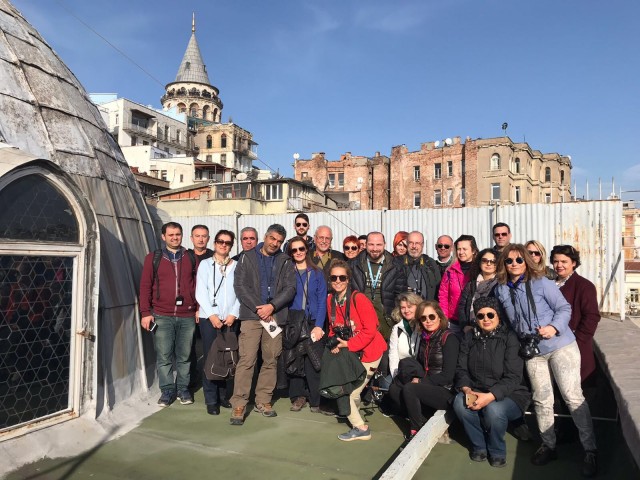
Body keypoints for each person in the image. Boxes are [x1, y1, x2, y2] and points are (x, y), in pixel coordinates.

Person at [494, 244, 598, 477]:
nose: (514, 265)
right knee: (542, 400)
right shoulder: (501, 289)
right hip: (532, 351)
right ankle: (548, 445)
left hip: (560, 345)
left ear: (526, 262)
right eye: (509, 261)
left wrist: (553, 327)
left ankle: (590, 449)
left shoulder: (542, 282)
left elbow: (564, 308)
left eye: (519, 260)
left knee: (573, 397)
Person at [230, 224, 297, 426]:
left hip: (274, 317)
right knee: (247, 360)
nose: (275, 243)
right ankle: (239, 403)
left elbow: (290, 288)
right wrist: (259, 308)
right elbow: (240, 286)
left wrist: (272, 306)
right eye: (272, 239)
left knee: (271, 359)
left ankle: (264, 400)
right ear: (266, 236)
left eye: (279, 241)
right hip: (252, 316)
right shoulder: (247, 257)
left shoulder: (285, 261)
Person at [453, 296, 531, 468]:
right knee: (459, 404)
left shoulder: (509, 338)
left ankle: (497, 450)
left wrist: (490, 396)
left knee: (494, 410)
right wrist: (466, 389)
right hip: (476, 388)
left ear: (498, 316)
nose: (486, 319)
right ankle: (479, 446)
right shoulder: (469, 337)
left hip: (511, 393)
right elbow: (461, 369)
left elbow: (513, 376)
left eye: (490, 315)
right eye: (480, 316)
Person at [326, 259, 387, 441]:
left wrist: (349, 345)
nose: (338, 281)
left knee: (349, 392)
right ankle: (355, 414)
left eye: (342, 277)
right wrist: (335, 344)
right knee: (353, 391)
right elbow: (332, 328)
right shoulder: (331, 299)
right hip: (352, 353)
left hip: (370, 352)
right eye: (334, 277)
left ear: (348, 279)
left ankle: (361, 428)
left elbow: (371, 329)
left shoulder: (358, 298)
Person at [139, 222, 197, 407]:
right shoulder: (153, 258)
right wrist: (145, 312)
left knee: (184, 355)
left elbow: (196, 284)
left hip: (187, 315)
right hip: (161, 315)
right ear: (163, 237)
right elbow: (145, 286)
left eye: (178, 234)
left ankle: (183, 389)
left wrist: (197, 307)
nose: (174, 237)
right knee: (164, 356)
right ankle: (167, 391)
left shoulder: (190, 257)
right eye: (170, 235)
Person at [396, 300, 460, 440]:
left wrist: (421, 381)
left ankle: (416, 430)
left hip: (445, 390)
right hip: (429, 385)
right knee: (395, 388)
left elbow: (448, 376)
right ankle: (422, 417)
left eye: (431, 316)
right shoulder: (425, 338)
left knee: (410, 389)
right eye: (423, 318)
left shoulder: (449, 339)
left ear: (439, 316)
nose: (428, 321)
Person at [195, 229, 240, 415]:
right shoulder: (205, 265)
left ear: (231, 246)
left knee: (226, 356)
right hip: (209, 319)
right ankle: (211, 399)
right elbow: (201, 292)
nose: (223, 245)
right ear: (214, 243)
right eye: (220, 241)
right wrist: (212, 315)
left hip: (230, 319)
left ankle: (223, 396)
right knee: (210, 357)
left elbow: (241, 292)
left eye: (227, 242)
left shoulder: (237, 266)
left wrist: (233, 313)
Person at [286, 236, 327, 413]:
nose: (298, 253)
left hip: (312, 323)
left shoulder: (317, 273)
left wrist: (319, 325)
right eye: (294, 250)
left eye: (301, 249)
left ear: (306, 250)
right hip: (294, 322)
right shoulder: (288, 272)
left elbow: (322, 301)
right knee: (295, 359)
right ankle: (298, 396)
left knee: (313, 361)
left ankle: (315, 398)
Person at [550, 244, 601, 383]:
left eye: (564, 261)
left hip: (575, 349)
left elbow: (591, 317)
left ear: (573, 263)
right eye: (556, 261)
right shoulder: (550, 284)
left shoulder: (584, 286)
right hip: (552, 347)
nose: (559, 265)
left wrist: (575, 341)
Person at [350, 232, 407, 341]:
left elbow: (401, 296)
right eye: (371, 244)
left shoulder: (396, 266)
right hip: (360, 321)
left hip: (385, 322)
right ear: (365, 245)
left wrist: (393, 319)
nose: (375, 248)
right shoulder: (354, 265)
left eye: (379, 245)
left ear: (385, 245)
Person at [438, 235, 478, 337]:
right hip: (453, 321)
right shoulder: (450, 271)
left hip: (474, 319)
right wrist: (444, 317)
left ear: (473, 250)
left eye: (464, 249)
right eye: (459, 249)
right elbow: (443, 296)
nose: (461, 252)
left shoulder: (479, 270)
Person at [457, 248, 498, 333]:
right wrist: (464, 325)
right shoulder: (471, 284)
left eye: (493, 261)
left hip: (493, 330)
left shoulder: (500, 285)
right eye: (485, 260)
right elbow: (462, 306)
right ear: (479, 263)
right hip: (471, 329)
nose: (488, 264)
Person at [397, 231, 441, 301]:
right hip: (405, 310)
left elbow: (439, 289)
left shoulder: (430, 263)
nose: (414, 246)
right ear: (407, 244)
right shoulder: (397, 263)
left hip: (426, 309)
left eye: (417, 243)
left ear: (422, 245)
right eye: (411, 243)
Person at [387, 292, 422, 379]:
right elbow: (393, 355)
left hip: (420, 372)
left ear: (418, 307)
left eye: (410, 307)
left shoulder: (423, 326)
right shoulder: (397, 328)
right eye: (403, 307)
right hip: (402, 371)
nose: (406, 311)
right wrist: (395, 376)